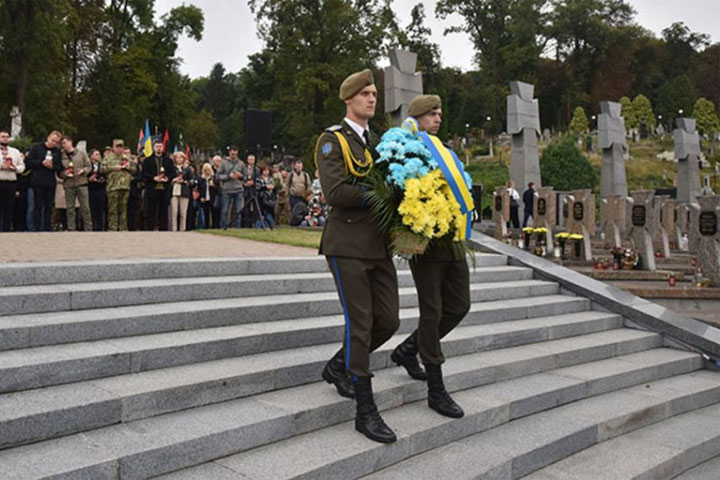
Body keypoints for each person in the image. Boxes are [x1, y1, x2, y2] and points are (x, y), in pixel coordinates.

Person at [316, 68, 399, 444]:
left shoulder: (380, 143)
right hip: (347, 244)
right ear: (349, 99)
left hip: (378, 246)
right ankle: (365, 411)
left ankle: (337, 366)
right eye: (364, 93)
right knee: (361, 323)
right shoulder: (332, 141)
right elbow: (336, 193)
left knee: (389, 320)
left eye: (373, 93)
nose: (371, 98)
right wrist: (381, 195)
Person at [390, 94, 471, 419]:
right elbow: (398, 190)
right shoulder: (405, 149)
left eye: (439, 113)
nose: (438, 118)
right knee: (432, 310)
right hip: (424, 241)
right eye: (432, 114)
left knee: (459, 306)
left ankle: (408, 350)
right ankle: (436, 390)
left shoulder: (446, 152)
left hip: (451, 238)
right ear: (418, 118)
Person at [25, 131, 62, 231]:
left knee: (49, 207)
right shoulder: (37, 147)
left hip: (50, 182)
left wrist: (52, 167)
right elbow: (28, 162)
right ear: (48, 137)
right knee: (37, 206)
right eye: (52, 140)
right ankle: (37, 228)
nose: (53, 143)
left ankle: (47, 227)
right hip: (37, 181)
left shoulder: (57, 152)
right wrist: (41, 163)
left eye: (56, 142)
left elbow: (59, 167)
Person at [101, 139, 136, 231]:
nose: (119, 149)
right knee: (113, 209)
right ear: (113, 147)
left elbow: (134, 170)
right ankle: (112, 227)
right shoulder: (108, 158)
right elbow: (102, 169)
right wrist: (114, 168)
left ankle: (123, 228)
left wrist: (129, 167)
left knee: (123, 209)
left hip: (125, 186)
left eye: (121, 147)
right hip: (113, 186)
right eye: (117, 147)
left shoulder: (127, 158)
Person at [59, 135, 93, 231]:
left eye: (65, 143)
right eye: (62, 144)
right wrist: (64, 174)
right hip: (69, 184)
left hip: (81, 183)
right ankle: (71, 228)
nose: (63, 145)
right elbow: (59, 170)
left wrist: (83, 171)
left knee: (85, 207)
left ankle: (88, 228)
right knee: (70, 208)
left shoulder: (81, 153)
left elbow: (89, 166)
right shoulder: (62, 155)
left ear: (70, 142)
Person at [142, 140, 175, 231]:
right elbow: (144, 173)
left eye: (160, 146)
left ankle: (163, 229)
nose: (159, 148)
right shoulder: (148, 160)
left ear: (163, 147)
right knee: (151, 210)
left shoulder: (168, 160)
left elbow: (173, 173)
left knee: (164, 210)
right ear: (154, 147)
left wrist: (167, 178)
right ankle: (150, 229)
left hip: (164, 189)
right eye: (157, 146)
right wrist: (153, 178)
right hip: (152, 188)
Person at [0, 129, 25, 231]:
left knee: (9, 207)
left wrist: (15, 168)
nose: (5, 138)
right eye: (3, 136)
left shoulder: (15, 151)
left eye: (7, 136)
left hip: (11, 182)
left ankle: (6, 229)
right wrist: (1, 166)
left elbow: (22, 167)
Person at [216, 146, 245, 229]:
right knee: (225, 210)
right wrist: (228, 176)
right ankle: (224, 227)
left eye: (235, 153)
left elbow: (245, 176)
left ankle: (237, 228)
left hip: (238, 189)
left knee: (237, 210)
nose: (233, 154)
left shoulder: (241, 163)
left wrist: (240, 175)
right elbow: (218, 176)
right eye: (232, 153)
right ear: (229, 152)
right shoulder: (223, 163)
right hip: (227, 190)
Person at [169, 152, 193, 231]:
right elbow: (168, 179)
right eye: (177, 158)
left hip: (184, 192)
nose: (179, 159)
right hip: (174, 192)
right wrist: (173, 180)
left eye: (181, 158)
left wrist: (185, 181)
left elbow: (192, 181)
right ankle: (174, 229)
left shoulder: (187, 169)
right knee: (174, 212)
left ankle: (183, 228)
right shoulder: (172, 168)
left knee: (183, 213)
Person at [87, 149, 107, 231]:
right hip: (91, 189)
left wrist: (102, 179)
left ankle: (100, 227)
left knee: (100, 209)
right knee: (91, 208)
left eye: (99, 154)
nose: (98, 156)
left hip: (100, 189)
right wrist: (89, 179)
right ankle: (92, 226)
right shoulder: (88, 165)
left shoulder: (103, 165)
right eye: (96, 154)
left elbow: (106, 175)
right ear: (91, 156)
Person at [196, 163, 217, 229]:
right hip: (204, 198)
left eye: (208, 170)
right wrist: (201, 197)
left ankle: (214, 227)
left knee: (214, 213)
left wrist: (213, 186)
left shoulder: (214, 178)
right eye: (205, 170)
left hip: (212, 198)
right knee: (206, 213)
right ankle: (206, 227)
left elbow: (218, 189)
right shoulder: (200, 179)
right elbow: (199, 189)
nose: (207, 172)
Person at [255, 163, 276, 228]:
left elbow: (274, 186)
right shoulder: (258, 179)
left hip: (270, 198)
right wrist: (266, 187)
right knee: (261, 213)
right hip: (261, 198)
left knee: (269, 213)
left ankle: (270, 225)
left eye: (267, 170)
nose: (266, 172)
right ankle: (258, 226)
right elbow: (258, 187)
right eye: (264, 170)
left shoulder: (271, 179)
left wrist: (273, 187)